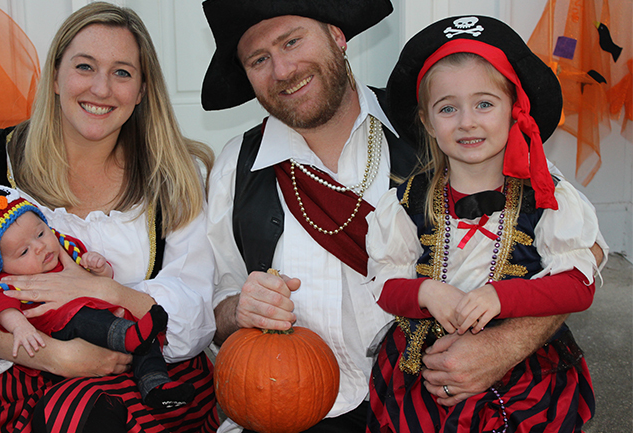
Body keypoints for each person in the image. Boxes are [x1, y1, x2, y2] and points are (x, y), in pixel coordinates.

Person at [200, 1, 606, 432]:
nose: (282, 70)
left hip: (428, 404)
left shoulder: (447, 127)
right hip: (295, 408)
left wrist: (503, 347)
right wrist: (240, 310)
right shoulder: (236, 168)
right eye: (259, 59)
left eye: (292, 41)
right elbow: (215, 306)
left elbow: (582, 255)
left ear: (337, 36)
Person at [0, 3, 219, 432]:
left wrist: (103, 290)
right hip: (22, 372)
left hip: (142, 369)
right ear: (56, 76)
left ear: (142, 90)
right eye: (85, 66)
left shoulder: (175, 176)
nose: (101, 88)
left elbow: (193, 311)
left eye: (122, 72)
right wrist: (56, 356)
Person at [365, 15, 605, 432]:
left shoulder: (547, 196)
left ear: (515, 110)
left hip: (525, 376)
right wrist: (425, 291)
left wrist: (503, 296)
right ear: (427, 121)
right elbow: (384, 285)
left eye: (484, 104)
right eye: (448, 108)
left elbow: (578, 286)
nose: (467, 121)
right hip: (425, 372)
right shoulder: (404, 202)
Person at [0, 184, 194, 409]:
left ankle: (155, 385)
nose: (39, 247)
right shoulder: (4, 281)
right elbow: (3, 308)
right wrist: (20, 328)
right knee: (82, 317)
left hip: (107, 318)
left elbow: (102, 281)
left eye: (40, 233)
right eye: (24, 251)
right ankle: (129, 336)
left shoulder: (64, 247)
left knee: (146, 336)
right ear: (0, 264)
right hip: (61, 325)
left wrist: (98, 267)